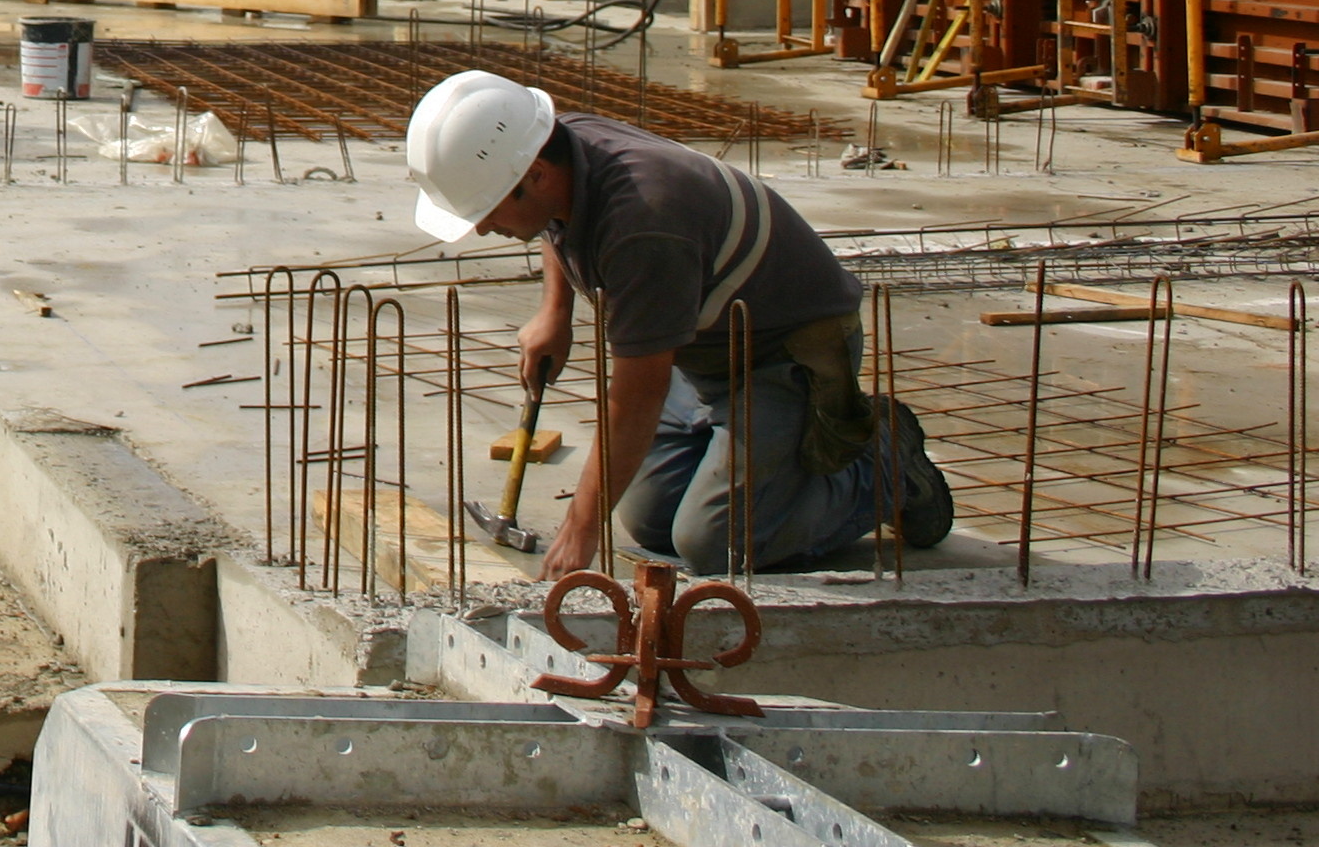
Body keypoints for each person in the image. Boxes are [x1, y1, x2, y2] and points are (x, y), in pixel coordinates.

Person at [402, 71, 955, 580]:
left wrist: (581, 527)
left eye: (487, 210)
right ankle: (766, 470)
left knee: (715, 546)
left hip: (786, 352)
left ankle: (885, 464)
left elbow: (638, 394)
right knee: (651, 519)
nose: (480, 229)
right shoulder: (555, 142)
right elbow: (557, 220)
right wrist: (556, 312)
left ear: (536, 175)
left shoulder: (645, 224)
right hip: (706, 347)